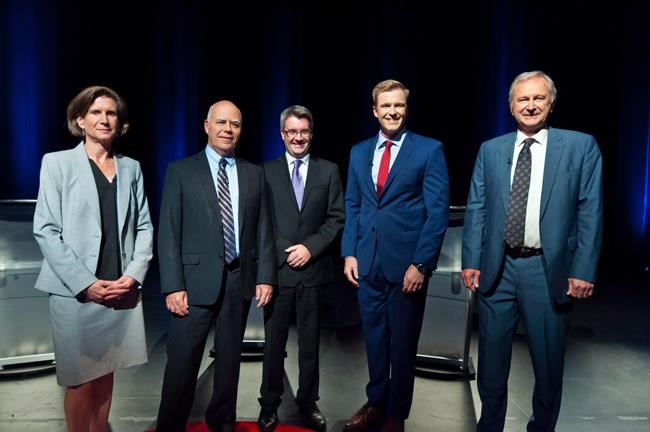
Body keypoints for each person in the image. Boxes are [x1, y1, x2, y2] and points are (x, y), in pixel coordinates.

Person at [461, 70, 603, 431]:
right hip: (498, 269)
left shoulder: (580, 146)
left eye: (538, 98)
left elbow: (590, 210)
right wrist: (471, 260)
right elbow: (477, 207)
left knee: (548, 365)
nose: (530, 105)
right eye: (523, 99)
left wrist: (583, 269)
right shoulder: (491, 150)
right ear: (511, 107)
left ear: (551, 104)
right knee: (491, 365)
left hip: (546, 270)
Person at [33, 86, 153, 432]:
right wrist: (85, 283)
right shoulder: (57, 163)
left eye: (111, 113)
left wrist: (133, 275)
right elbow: (46, 230)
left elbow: (144, 226)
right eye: (96, 112)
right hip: (76, 294)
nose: (104, 119)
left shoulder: (131, 168)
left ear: (120, 122)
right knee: (80, 381)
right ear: (80, 120)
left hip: (120, 289)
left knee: (105, 375)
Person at [156, 100, 276, 432]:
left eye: (234, 124)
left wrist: (265, 276)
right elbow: (169, 232)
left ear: (241, 130)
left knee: (228, 363)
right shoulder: (181, 170)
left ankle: (222, 423)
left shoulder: (254, 174)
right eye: (221, 122)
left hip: (239, 280)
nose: (228, 129)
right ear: (206, 126)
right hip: (192, 285)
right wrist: (173, 285)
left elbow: (263, 230)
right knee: (182, 364)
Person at [341, 79, 450, 432]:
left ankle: (396, 415)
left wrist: (421, 264)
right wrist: (349, 253)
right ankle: (375, 404)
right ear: (374, 110)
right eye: (385, 106)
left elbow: (437, 213)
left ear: (406, 108)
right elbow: (353, 205)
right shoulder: (359, 151)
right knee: (374, 341)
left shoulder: (429, 150)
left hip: (407, 267)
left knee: (402, 346)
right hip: (367, 263)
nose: (392, 112)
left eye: (398, 105)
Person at [257, 105, 345, 432]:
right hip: (278, 273)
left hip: (314, 270)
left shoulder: (328, 171)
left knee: (310, 345)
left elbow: (336, 218)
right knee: (273, 345)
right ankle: (269, 405)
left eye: (304, 131)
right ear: (282, 134)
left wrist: (310, 248)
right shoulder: (265, 172)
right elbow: (261, 221)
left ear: (311, 133)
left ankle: (308, 403)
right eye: (292, 131)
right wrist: (286, 251)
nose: (298, 137)